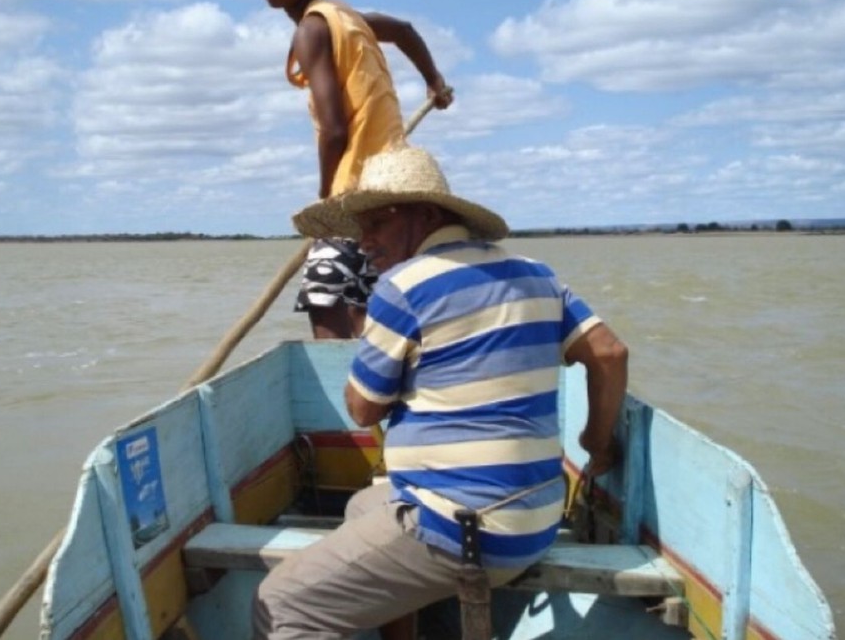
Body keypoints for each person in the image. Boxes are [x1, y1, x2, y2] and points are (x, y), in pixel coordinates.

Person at [252, 145, 627, 639]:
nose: (364, 242)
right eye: (360, 229)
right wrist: (597, 443)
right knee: (363, 507)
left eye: (377, 223)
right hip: (537, 517)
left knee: (280, 603)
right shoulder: (536, 273)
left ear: (426, 215)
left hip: (465, 529)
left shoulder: (402, 286)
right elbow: (608, 354)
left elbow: (363, 409)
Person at [255, 0, 453, 340]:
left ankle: (351, 386)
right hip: (396, 196)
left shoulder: (312, 29)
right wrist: (434, 81)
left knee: (325, 306)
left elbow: (334, 131)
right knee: (367, 312)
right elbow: (404, 31)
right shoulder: (348, 19)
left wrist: (325, 203)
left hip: (355, 195)